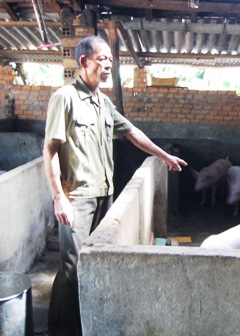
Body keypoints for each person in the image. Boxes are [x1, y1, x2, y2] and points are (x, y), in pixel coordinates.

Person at [43, 35, 188, 336]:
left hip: (103, 195)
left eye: (110, 59)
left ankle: (82, 321)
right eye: (102, 59)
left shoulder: (103, 102)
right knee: (71, 268)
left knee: (90, 263)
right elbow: (51, 150)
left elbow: (132, 133)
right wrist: (59, 197)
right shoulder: (65, 98)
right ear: (84, 62)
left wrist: (163, 156)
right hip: (78, 197)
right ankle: (62, 329)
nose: (108, 65)